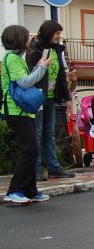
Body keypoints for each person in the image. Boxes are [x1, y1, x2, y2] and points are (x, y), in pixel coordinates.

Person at [1, 25, 51, 205]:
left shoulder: (15, 57)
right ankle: (14, 190)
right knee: (29, 149)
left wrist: (37, 67)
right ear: (18, 39)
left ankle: (29, 190)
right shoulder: (12, 58)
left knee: (31, 149)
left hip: (23, 110)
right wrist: (42, 68)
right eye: (25, 37)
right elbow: (24, 83)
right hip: (16, 110)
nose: (28, 40)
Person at [27, 20, 76, 181]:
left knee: (50, 132)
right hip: (38, 96)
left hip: (51, 97)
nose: (59, 37)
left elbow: (61, 74)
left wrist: (67, 97)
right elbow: (30, 72)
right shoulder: (35, 48)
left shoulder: (56, 50)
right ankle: (36, 168)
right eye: (57, 34)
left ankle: (54, 167)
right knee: (38, 132)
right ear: (49, 33)